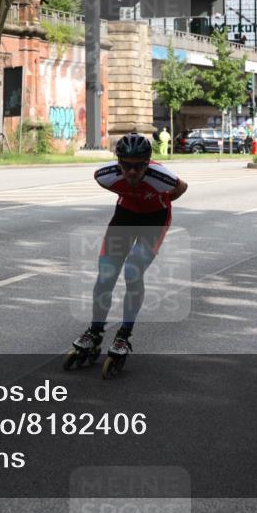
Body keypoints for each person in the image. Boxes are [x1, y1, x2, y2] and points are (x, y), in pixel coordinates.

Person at [67, 133, 188, 374]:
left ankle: (123, 334)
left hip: (155, 219)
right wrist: (134, 197)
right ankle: (95, 331)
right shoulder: (105, 175)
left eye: (139, 166)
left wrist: (156, 199)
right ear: (118, 162)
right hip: (126, 215)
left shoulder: (162, 178)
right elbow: (121, 187)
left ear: (148, 163)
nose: (132, 172)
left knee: (133, 271)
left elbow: (180, 189)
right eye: (126, 165)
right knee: (105, 275)